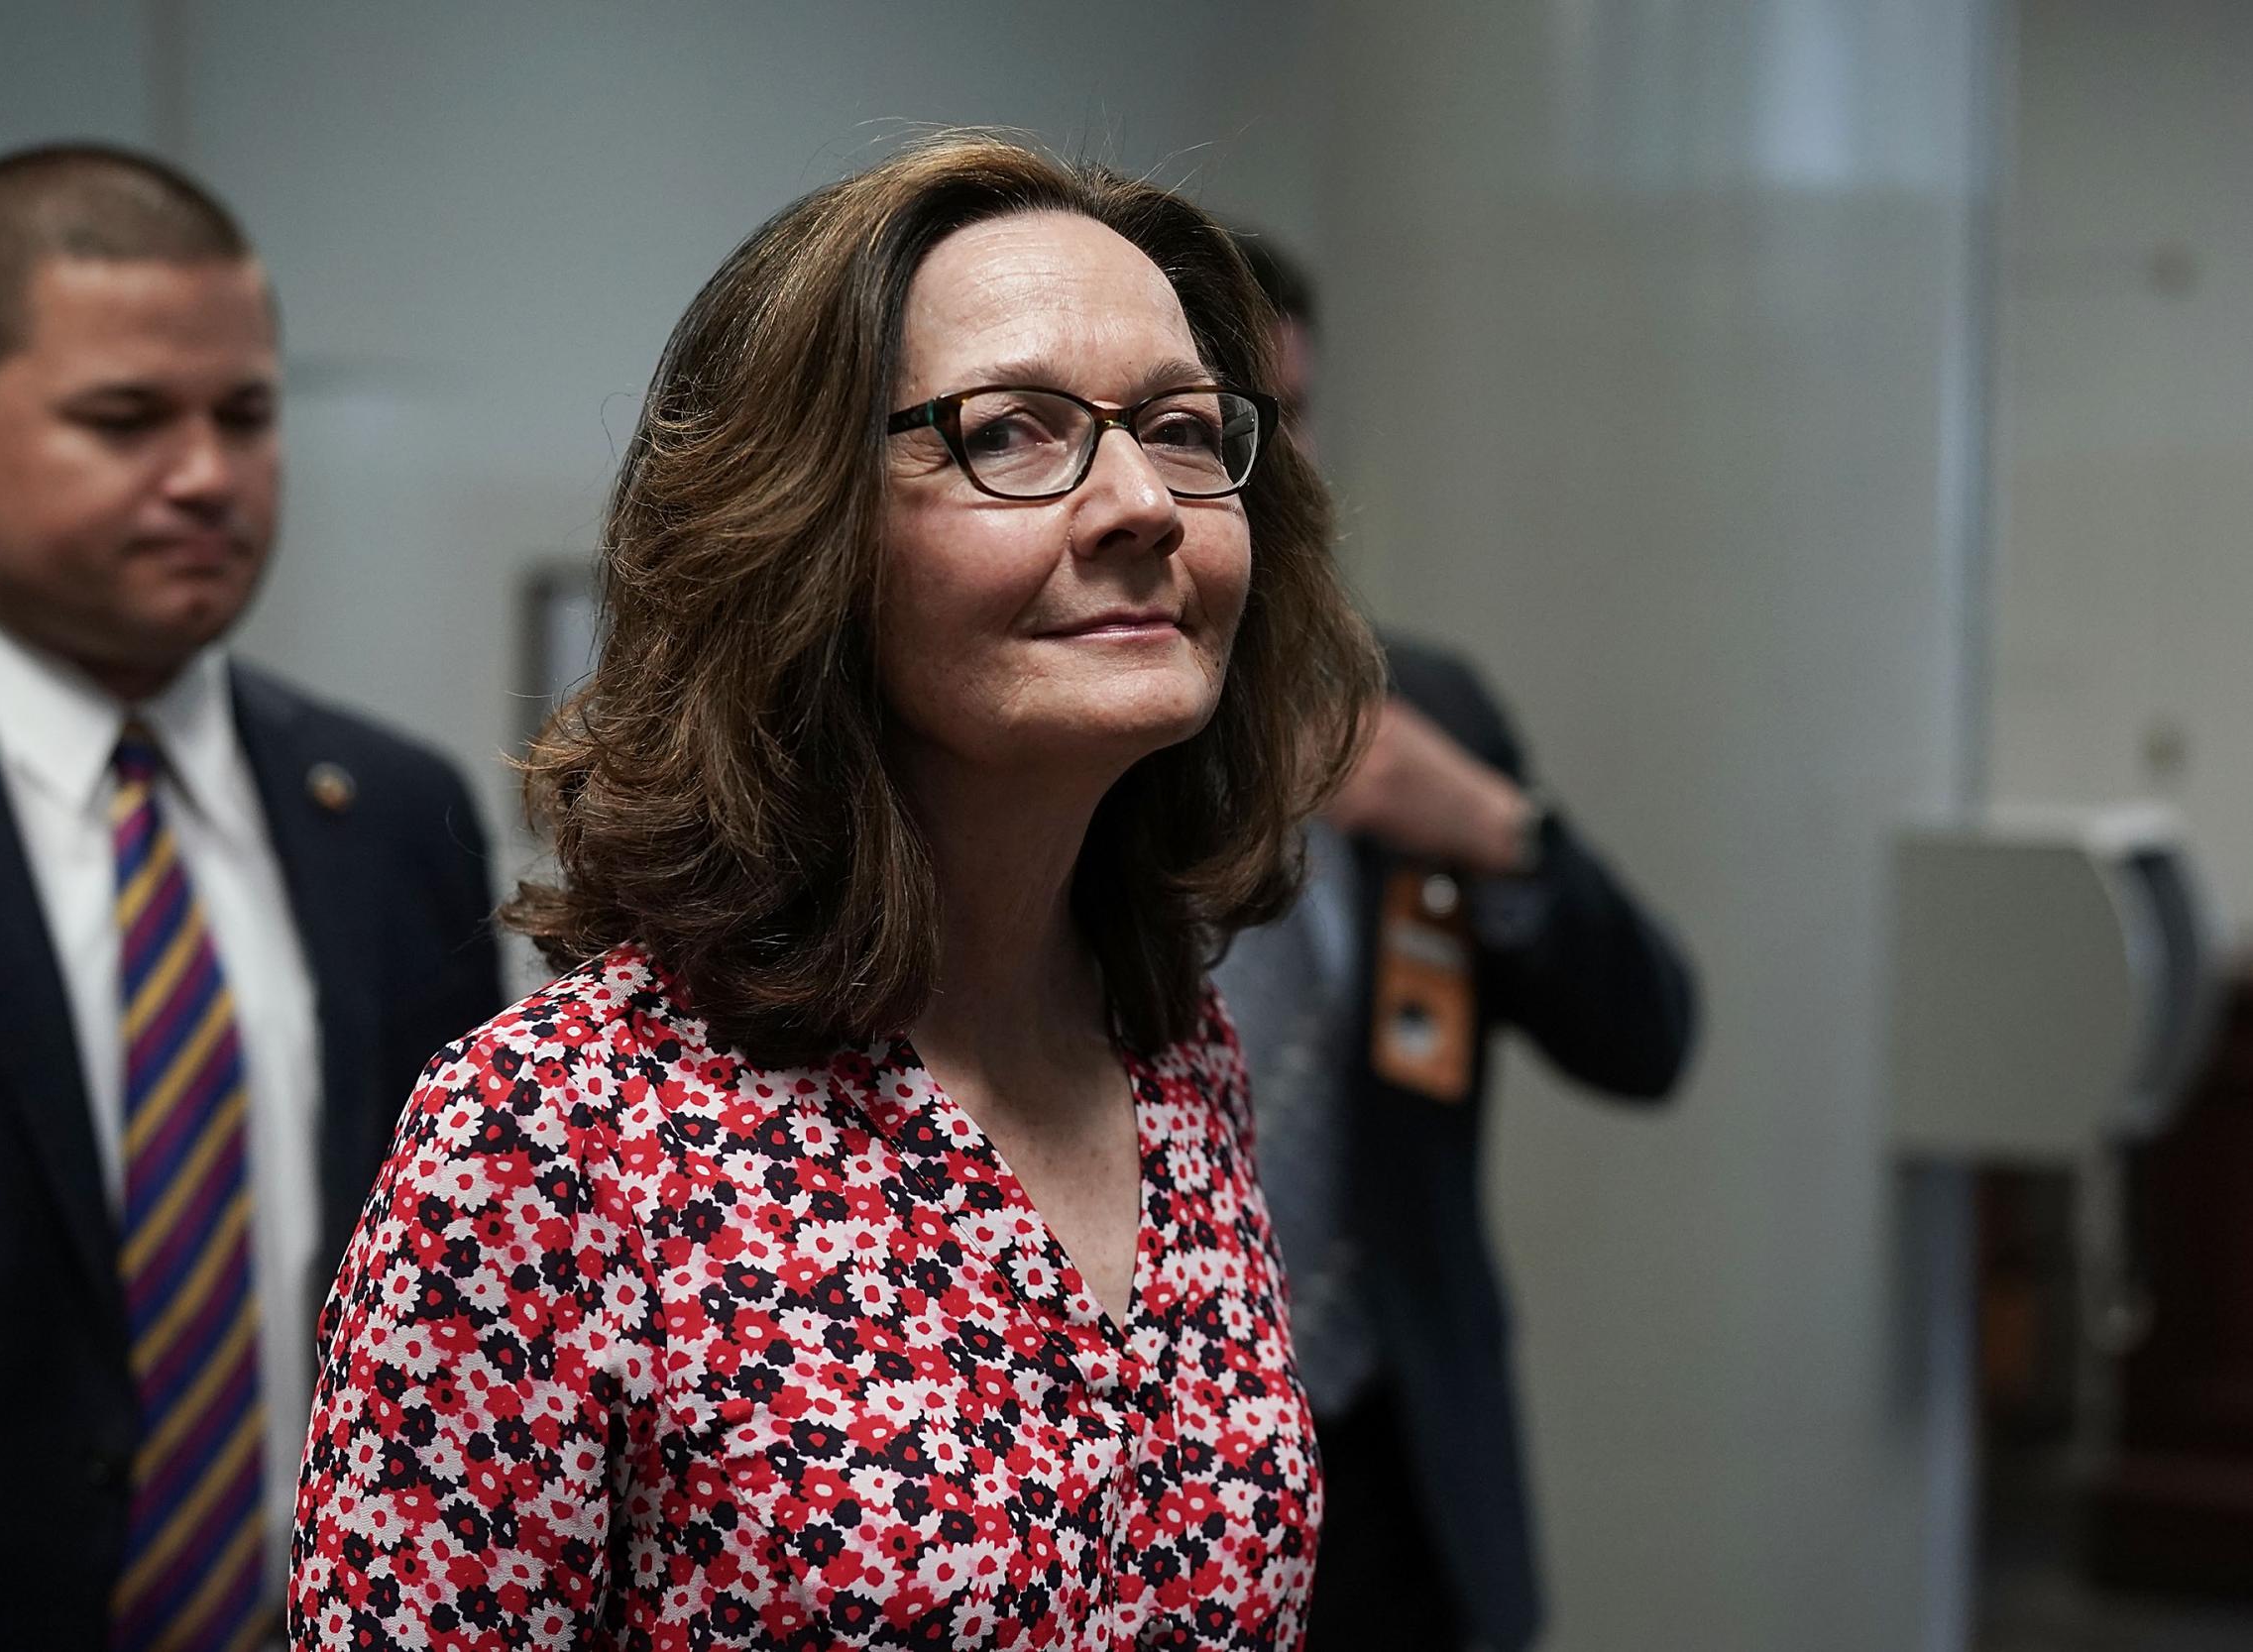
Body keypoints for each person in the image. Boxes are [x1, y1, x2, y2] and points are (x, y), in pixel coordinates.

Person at [286, 135, 1381, 1650]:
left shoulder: (1175, 1056)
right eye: (1015, 432)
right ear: (804, 532)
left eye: (1186, 431)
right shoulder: (560, 1139)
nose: (1143, 502)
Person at [0, 145, 507, 1651]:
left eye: (246, 415)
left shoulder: (393, 816)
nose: (206, 474)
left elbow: (458, 1310)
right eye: (127, 420)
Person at [1213, 235, 1700, 1651]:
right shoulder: (1056, 751)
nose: (1265, 465)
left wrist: (1503, 834)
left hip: (1399, 1454)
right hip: (1139, 1465)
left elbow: (1648, 1038)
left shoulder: (1416, 707)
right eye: (1213, 423)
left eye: (1288, 418)